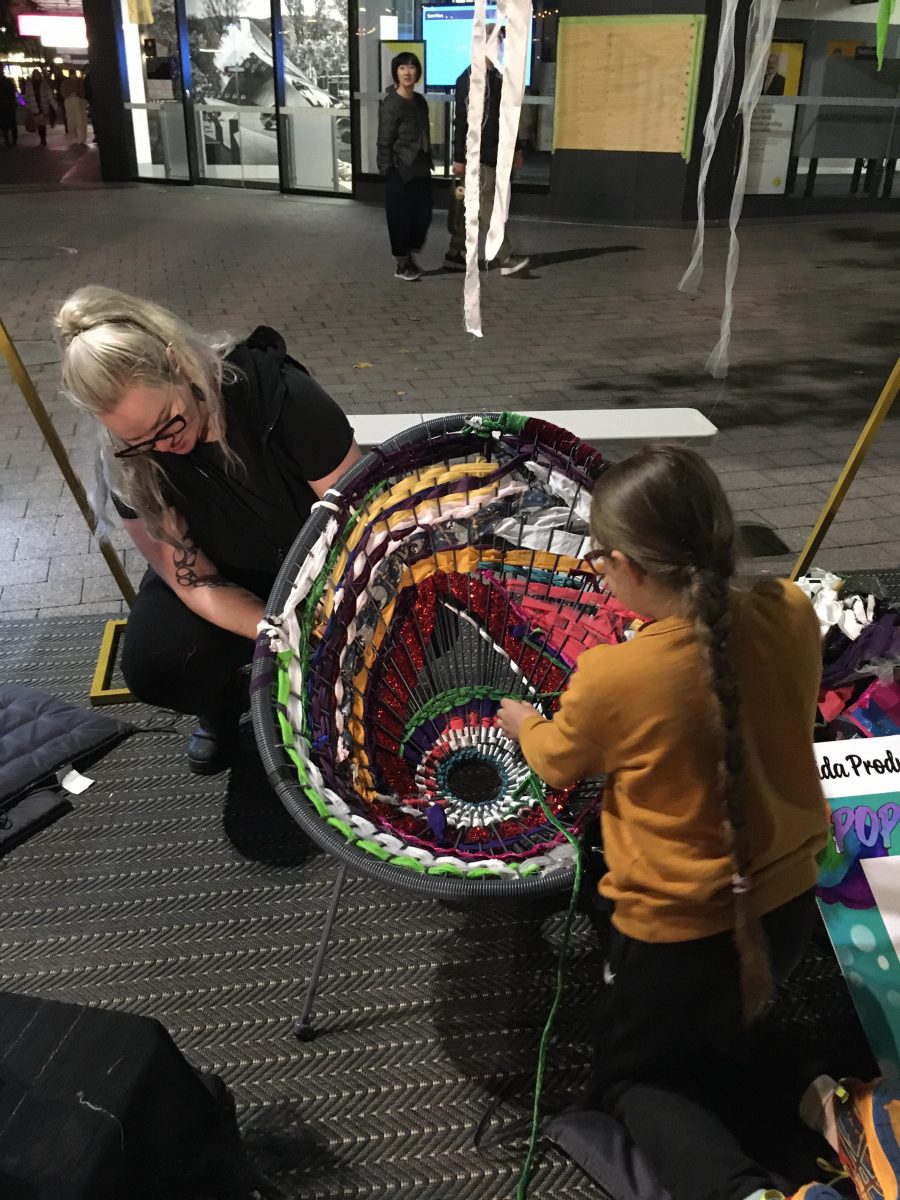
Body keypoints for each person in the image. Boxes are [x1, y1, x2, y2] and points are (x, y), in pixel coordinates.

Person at [498, 446, 897, 1200]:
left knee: (634, 1078)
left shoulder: (615, 676)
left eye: (600, 559)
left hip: (676, 930)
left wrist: (522, 722)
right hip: (784, 905)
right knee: (729, 1026)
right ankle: (836, 1110)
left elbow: (556, 760)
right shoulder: (786, 611)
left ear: (627, 567)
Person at [56, 286, 362, 775]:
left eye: (168, 422)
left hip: (325, 566)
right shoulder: (128, 464)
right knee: (157, 664)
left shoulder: (276, 396)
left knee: (419, 625)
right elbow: (189, 577)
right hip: (232, 575)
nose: (165, 447)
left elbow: (362, 524)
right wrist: (280, 634)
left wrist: (335, 624)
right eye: (138, 442)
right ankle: (225, 704)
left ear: (179, 365)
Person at [444, 25, 529, 276]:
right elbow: (463, 122)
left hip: (495, 156)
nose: (497, 47)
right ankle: (505, 256)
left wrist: (517, 149)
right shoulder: (470, 80)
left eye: (499, 42)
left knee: (471, 208)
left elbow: (508, 120)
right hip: (476, 158)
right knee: (488, 208)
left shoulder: (498, 79)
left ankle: (454, 254)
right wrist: (459, 159)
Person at [376, 52, 433, 283]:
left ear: (417, 72)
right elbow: (384, 139)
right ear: (396, 73)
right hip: (399, 168)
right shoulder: (391, 103)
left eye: (411, 67)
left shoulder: (419, 101)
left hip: (420, 165)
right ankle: (401, 264)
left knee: (423, 214)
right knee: (400, 218)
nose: (407, 72)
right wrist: (386, 170)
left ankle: (409, 253)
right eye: (402, 68)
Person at [23, 68, 55, 146]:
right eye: (35, 74)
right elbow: (26, 95)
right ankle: (42, 138)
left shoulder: (44, 84)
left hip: (42, 106)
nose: (37, 76)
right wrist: (25, 104)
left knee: (42, 124)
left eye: (38, 74)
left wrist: (54, 104)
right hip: (34, 106)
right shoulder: (29, 84)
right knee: (39, 124)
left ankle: (43, 139)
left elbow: (49, 94)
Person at [61, 70, 89, 145]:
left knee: (79, 120)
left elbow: (83, 91)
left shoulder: (79, 82)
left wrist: (76, 94)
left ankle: (80, 137)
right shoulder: (67, 82)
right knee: (74, 120)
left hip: (77, 102)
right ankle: (76, 136)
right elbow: (63, 92)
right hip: (72, 102)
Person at [0, 74, 18, 149]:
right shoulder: (8, 81)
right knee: (4, 124)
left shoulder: (8, 81)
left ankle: (13, 140)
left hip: (9, 105)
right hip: (3, 106)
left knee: (11, 123)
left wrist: (22, 102)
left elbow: (15, 92)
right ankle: (7, 140)